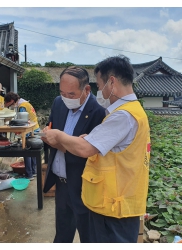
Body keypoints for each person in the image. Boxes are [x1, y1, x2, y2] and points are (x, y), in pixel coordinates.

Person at [42, 55, 151, 243]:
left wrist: (59, 136)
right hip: (117, 199)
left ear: (112, 82)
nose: (99, 91)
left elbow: (85, 149)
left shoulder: (122, 116)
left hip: (114, 204)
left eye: (99, 86)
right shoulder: (132, 111)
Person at [43, 66, 105, 243]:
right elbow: (51, 128)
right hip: (61, 182)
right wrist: (47, 135)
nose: (66, 98)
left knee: (88, 236)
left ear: (86, 89)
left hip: (84, 184)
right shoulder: (58, 103)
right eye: (62, 93)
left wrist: (60, 142)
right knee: (62, 235)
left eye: (71, 94)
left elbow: (91, 152)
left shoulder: (99, 111)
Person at [4, 92, 40, 180]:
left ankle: (29, 174)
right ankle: (34, 171)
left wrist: (17, 131)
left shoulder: (22, 107)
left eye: (8, 104)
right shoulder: (26, 103)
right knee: (32, 151)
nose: (8, 106)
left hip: (30, 131)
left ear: (12, 101)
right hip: (35, 129)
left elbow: (23, 123)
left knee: (26, 151)